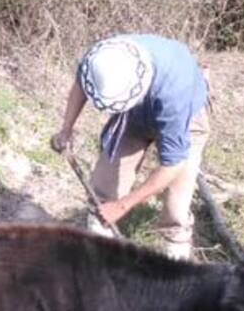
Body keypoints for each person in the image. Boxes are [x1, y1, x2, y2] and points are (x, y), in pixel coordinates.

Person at [50, 34, 210, 260]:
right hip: (133, 117)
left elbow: (173, 164)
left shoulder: (174, 95)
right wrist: (66, 128)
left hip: (186, 119)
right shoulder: (102, 59)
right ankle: (99, 248)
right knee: (104, 186)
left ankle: (176, 256)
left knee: (176, 202)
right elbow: (80, 85)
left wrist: (123, 206)